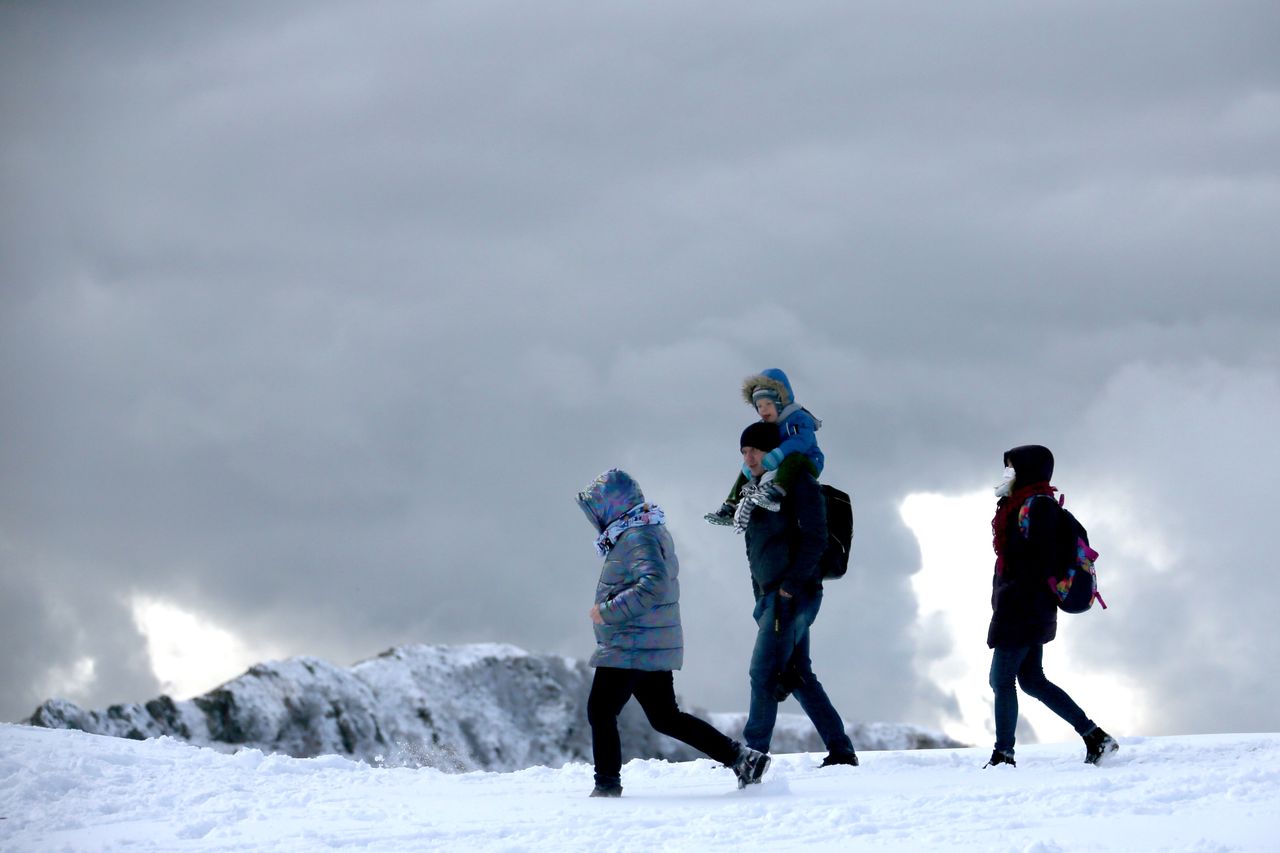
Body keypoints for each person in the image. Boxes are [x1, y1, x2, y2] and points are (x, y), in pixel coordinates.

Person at [576, 468, 770, 797]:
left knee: (601, 710)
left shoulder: (638, 535)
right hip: (646, 641)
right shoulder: (641, 530)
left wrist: (607, 611)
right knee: (665, 717)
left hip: (631, 642)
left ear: (613, 505)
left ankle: (606, 786)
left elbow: (653, 585)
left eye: (598, 508)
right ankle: (741, 758)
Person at [735, 422, 859, 769]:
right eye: (744, 452)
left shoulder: (799, 483)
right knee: (798, 672)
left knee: (763, 672)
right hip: (771, 596)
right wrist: (761, 594)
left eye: (755, 450)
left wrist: (789, 587)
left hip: (793, 594)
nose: (749, 457)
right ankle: (841, 750)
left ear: (773, 450)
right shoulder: (757, 489)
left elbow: (816, 539)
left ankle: (752, 755)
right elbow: (756, 549)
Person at [986, 444, 1119, 768]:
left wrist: (1015, 592)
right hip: (1025, 605)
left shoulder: (1039, 506)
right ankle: (1095, 736)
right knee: (1031, 680)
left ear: (1028, 470)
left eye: (1012, 468)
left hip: (1024, 606)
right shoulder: (1022, 504)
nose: (1007, 474)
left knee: (1001, 680)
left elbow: (1040, 559)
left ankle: (1004, 755)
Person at [706, 368, 825, 524]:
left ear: (781, 401)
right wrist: (751, 465)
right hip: (776, 463)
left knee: (793, 457)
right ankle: (731, 506)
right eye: (759, 406)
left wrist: (779, 454)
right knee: (748, 465)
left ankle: (775, 495)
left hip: (807, 461)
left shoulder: (798, 418)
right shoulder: (764, 426)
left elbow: (802, 441)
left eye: (768, 404)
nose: (764, 410)